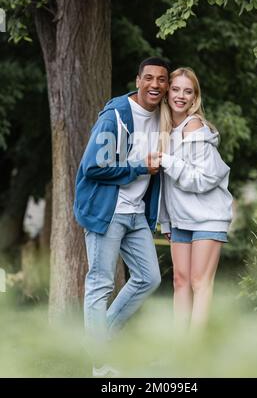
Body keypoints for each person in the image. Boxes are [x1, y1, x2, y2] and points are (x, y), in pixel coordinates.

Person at [74, 57, 170, 376]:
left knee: (148, 278)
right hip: (109, 211)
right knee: (100, 284)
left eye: (162, 80)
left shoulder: (163, 117)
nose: (155, 84)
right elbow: (94, 167)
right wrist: (141, 166)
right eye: (149, 78)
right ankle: (100, 365)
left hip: (136, 213)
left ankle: (102, 340)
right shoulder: (115, 116)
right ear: (138, 80)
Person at [159, 67, 233, 331]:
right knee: (180, 281)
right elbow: (167, 186)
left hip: (207, 217)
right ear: (167, 93)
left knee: (200, 282)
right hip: (181, 219)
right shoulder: (168, 130)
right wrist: (166, 222)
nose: (180, 96)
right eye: (176, 89)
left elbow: (202, 179)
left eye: (187, 91)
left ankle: (196, 356)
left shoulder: (194, 129)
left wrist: (166, 161)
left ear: (194, 98)